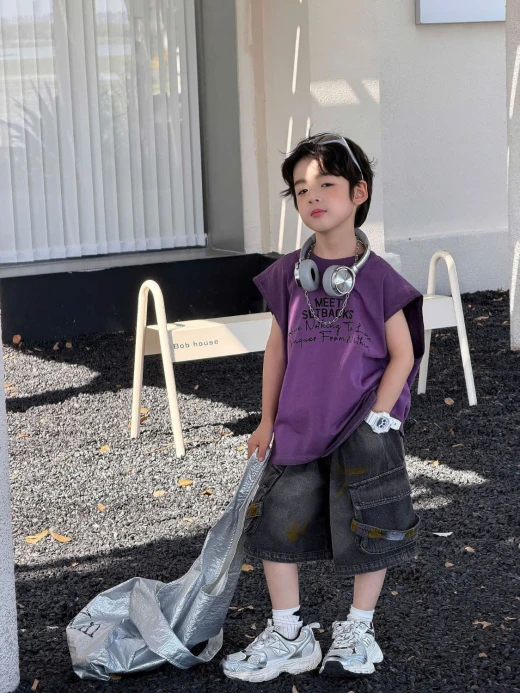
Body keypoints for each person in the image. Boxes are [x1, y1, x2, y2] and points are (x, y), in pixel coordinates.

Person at [221, 133, 424, 682]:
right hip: (299, 422)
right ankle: (288, 633)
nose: (312, 196)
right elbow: (277, 350)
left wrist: (381, 415)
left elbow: (404, 354)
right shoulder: (289, 275)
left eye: (326, 184)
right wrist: (267, 419)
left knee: (373, 524)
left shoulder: (379, 279)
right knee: (276, 523)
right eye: (301, 189)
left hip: (363, 424)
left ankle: (358, 629)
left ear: (359, 192)